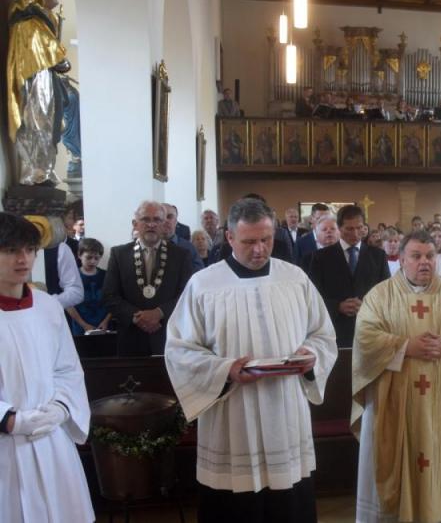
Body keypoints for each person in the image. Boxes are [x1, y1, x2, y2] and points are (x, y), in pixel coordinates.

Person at [165, 199, 339, 523]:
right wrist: (224, 369)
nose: (259, 249)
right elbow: (179, 349)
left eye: (266, 239)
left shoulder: (295, 279)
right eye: (249, 241)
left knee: (288, 504)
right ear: (229, 238)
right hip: (233, 413)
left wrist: (311, 356)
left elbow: (323, 335)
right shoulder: (203, 285)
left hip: (284, 411)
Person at [352, 230, 441, 523]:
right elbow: (365, 340)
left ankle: (440, 513)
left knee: (438, 460)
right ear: (400, 260)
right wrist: (405, 346)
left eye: (429, 256)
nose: (424, 262)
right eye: (416, 256)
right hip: (394, 399)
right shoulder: (380, 296)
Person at [0, 212, 94, 523]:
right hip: (5, 443)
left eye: (29, 249)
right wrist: (9, 420)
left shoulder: (48, 307)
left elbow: (67, 368)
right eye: (10, 250)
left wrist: (61, 409)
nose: (22, 259)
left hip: (51, 439)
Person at [103, 201, 193, 356]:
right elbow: (109, 296)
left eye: (157, 220)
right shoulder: (119, 254)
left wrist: (160, 312)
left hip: (169, 338)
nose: (151, 224)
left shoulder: (181, 255)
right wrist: (136, 316)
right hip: (131, 340)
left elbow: (187, 295)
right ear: (135, 224)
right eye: (145, 219)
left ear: (164, 224)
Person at [7, 0, 75, 185]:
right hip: (37, 83)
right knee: (38, 122)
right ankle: (37, 170)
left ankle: (43, 168)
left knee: (49, 124)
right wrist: (59, 59)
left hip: (45, 79)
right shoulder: (28, 19)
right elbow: (55, 57)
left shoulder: (40, 19)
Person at [306, 205, 390, 348]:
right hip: (334, 331)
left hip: (370, 329)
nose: (355, 233)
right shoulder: (321, 257)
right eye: (349, 229)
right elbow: (312, 297)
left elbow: (387, 293)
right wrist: (337, 306)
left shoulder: (378, 256)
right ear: (339, 228)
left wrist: (366, 306)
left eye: (359, 228)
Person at [66, 237, 111, 335]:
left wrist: (106, 321)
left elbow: (113, 300)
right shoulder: (71, 277)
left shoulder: (106, 276)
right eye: (89, 257)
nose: (93, 261)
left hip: (103, 326)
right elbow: (69, 305)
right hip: (80, 327)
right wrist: (84, 325)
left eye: (96, 258)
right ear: (79, 255)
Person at [162, 203, 204, 272]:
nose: (165, 220)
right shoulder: (149, 247)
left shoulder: (188, 247)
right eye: (162, 217)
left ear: (175, 221)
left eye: (169, 217)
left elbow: (199, 273)